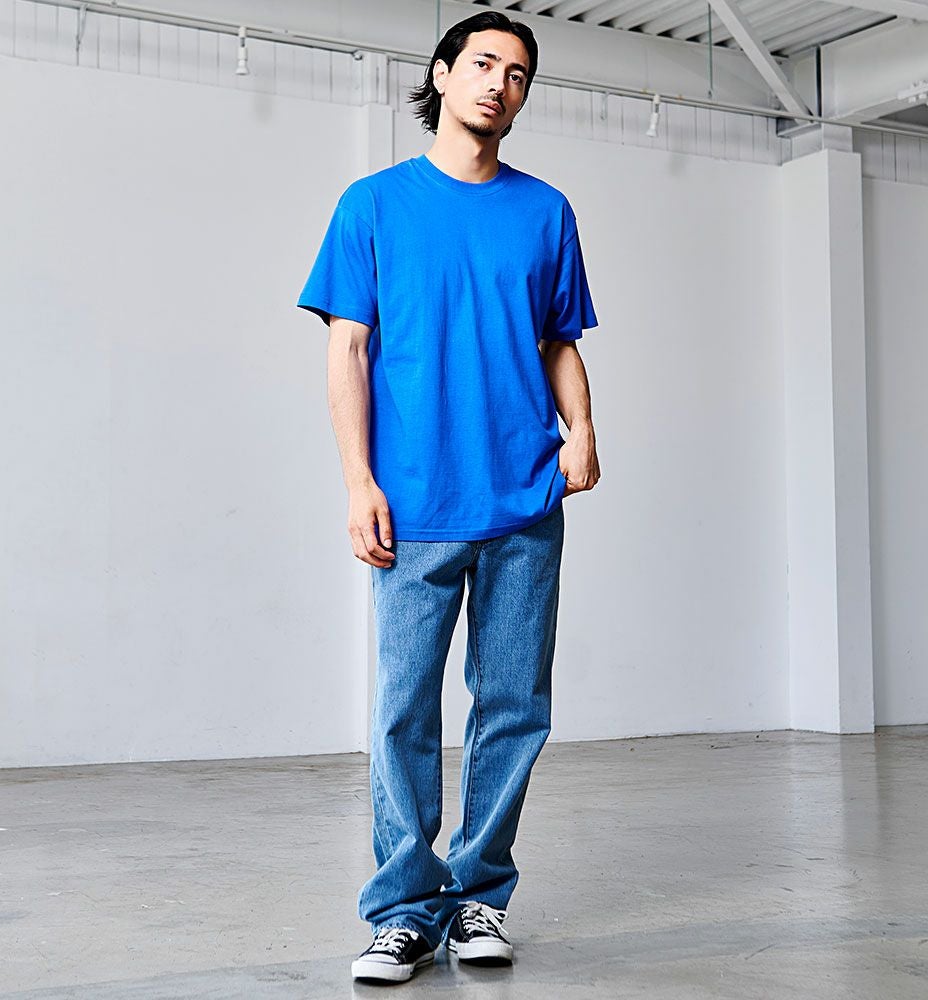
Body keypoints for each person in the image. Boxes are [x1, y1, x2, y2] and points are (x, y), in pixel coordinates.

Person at [296, 9, 599, 984]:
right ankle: (401, 911)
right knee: (403, 715)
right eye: (483, 64)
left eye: (518, 74)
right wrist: (358, 481)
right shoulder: (373, 204)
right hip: (414, 505)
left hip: (524, 503)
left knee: (513, 710)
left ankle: (478, 899)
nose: (499, 85)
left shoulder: (545, 211)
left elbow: (557, 340)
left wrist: (583, 427)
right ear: (441, 72)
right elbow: (347, 349)